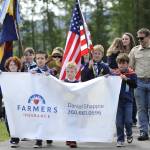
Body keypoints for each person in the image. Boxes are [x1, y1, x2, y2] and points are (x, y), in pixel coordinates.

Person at [129, 28, 150, 141]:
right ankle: (143, 132)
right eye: (138, 38)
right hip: (140, 83)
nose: (139, 40)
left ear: (148, 37)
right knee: (141, 109)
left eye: (142, 38)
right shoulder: (134, 50)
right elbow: (130, 67)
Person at [112, 53, 137, 147]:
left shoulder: (132, 73)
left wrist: (126, 79)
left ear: (127, 64)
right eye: (120, 63)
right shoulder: (115, 74)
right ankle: (120, 139)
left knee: (128, 121)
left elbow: (135, 85)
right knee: (118, 122)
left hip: (128, 102)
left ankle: (129, 133)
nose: (121, 65)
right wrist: (106, 77)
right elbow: (109, 80)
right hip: (118, 102)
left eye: (124, 63)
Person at [31, 51, 54, 148]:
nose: (40, 60)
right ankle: (38, 140)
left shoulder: (50, 72)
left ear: (46, 59)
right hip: (36, 98)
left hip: (48, 98)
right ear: (35, 60)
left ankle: (48, 135)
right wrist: (30, 75)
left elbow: (54, 84)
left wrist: (50, 76)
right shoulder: (32, 71)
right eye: (38, 58)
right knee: (38, 118)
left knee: (47, 118)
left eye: (42, 58)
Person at [3, 56, 22, 148]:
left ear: (18, 66)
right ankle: (13, 136)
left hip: (19, 103)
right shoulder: (4, 76)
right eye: (11, 64)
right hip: (8, 102)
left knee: (18, 120)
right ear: (8, 66)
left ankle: (16, 137)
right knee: (7, 121)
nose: (13, 66)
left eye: (14, 64)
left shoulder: (23, 76)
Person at [122, 33, 137, 126]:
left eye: (126, 39)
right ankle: (125, 118)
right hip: (122, 76)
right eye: (123, 39)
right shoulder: (120, 51)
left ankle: (133, 119)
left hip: (132, 75)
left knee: (133, 98)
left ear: (130, 40)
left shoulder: (135, 50)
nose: (124, 41)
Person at [64, 61, 78, 148]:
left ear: (75, 72)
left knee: (74, 122)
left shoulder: (78, 83)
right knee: (68, 122)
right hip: (66, 105)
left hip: (75, 106)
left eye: (72, 71)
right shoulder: (64, 82)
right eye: (68, 71)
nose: (70, 73)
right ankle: (68, 137)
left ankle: (73, 139)